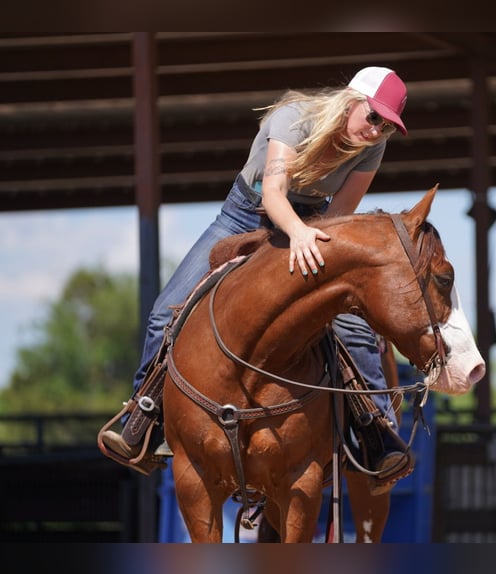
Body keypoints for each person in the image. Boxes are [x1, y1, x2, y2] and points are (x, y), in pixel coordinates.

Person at [101, 66, 414, 494]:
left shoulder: (370, 149)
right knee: (164, 312)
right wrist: (299, 234)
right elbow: (272, 194)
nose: (377, 131)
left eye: (387, 126)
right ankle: (144, 416)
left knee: (356, 328)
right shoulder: (293, 117)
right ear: (350, 101)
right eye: (373, 117)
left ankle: (377, 432)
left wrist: (313, 236)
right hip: (243, 215)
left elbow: (339, 212)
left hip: (311, 221)